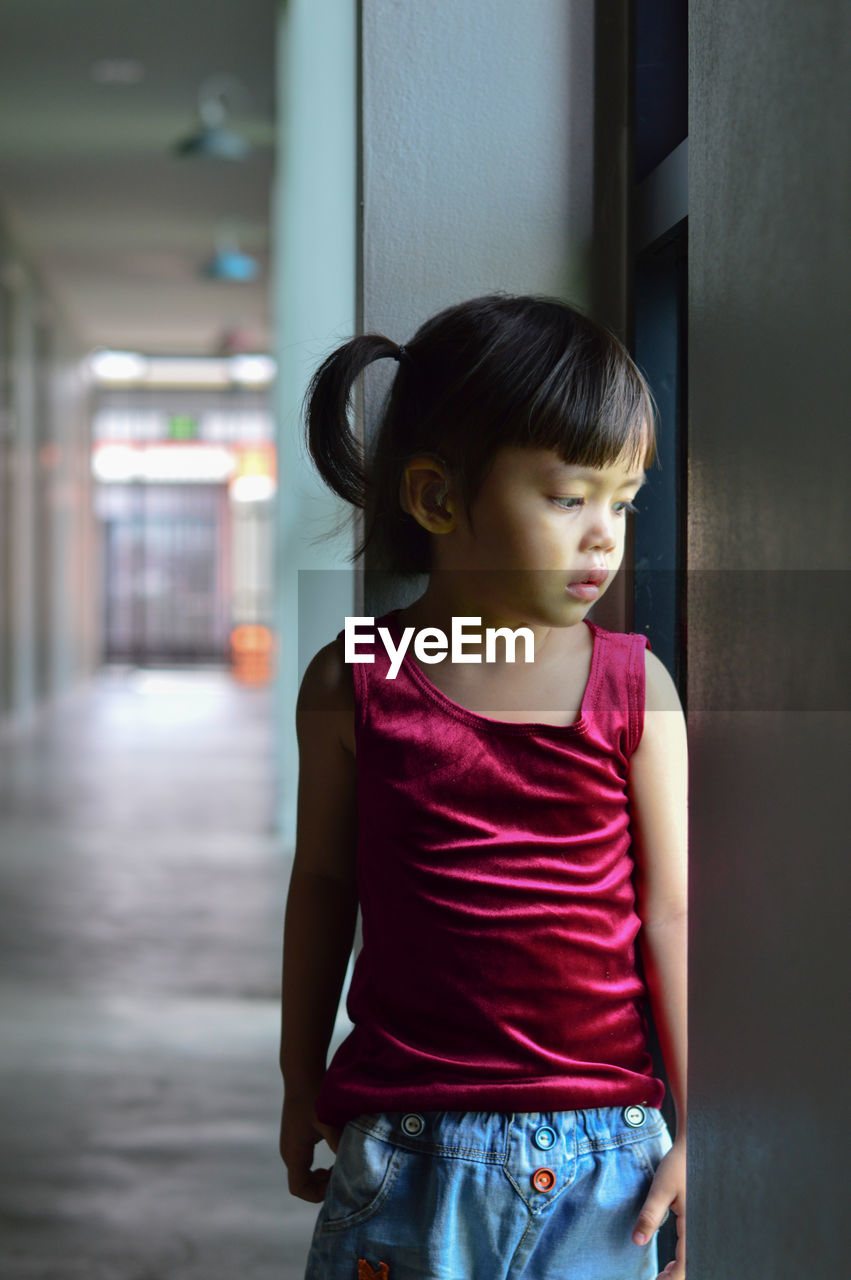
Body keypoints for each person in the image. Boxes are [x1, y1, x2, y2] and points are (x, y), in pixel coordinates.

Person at [279, 295, 687, 1280]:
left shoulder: (636, 685)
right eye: (565, 497)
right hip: (403, 1151)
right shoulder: (354, 680)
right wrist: (299, 1080)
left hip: (605, 1163)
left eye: (621, 501)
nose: (602, 535)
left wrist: (698, 1116)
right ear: (437, 498)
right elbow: (324, 884)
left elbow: (667, 911)